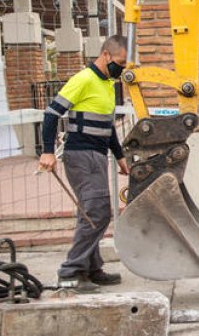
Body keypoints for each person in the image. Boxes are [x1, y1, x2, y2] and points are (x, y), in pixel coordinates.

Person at [38, 35, 131, 292]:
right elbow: (52, 113)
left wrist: (120, 157)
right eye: (120, 62)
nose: (122, 69)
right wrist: (47, 151)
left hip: (98, 155)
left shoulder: (108, 85)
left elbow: (108, 126)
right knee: (96, 212)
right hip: (81, 155)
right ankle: (71, 272)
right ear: (105, 55)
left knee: (91, 211)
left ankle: (92, 268)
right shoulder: (83, 79)